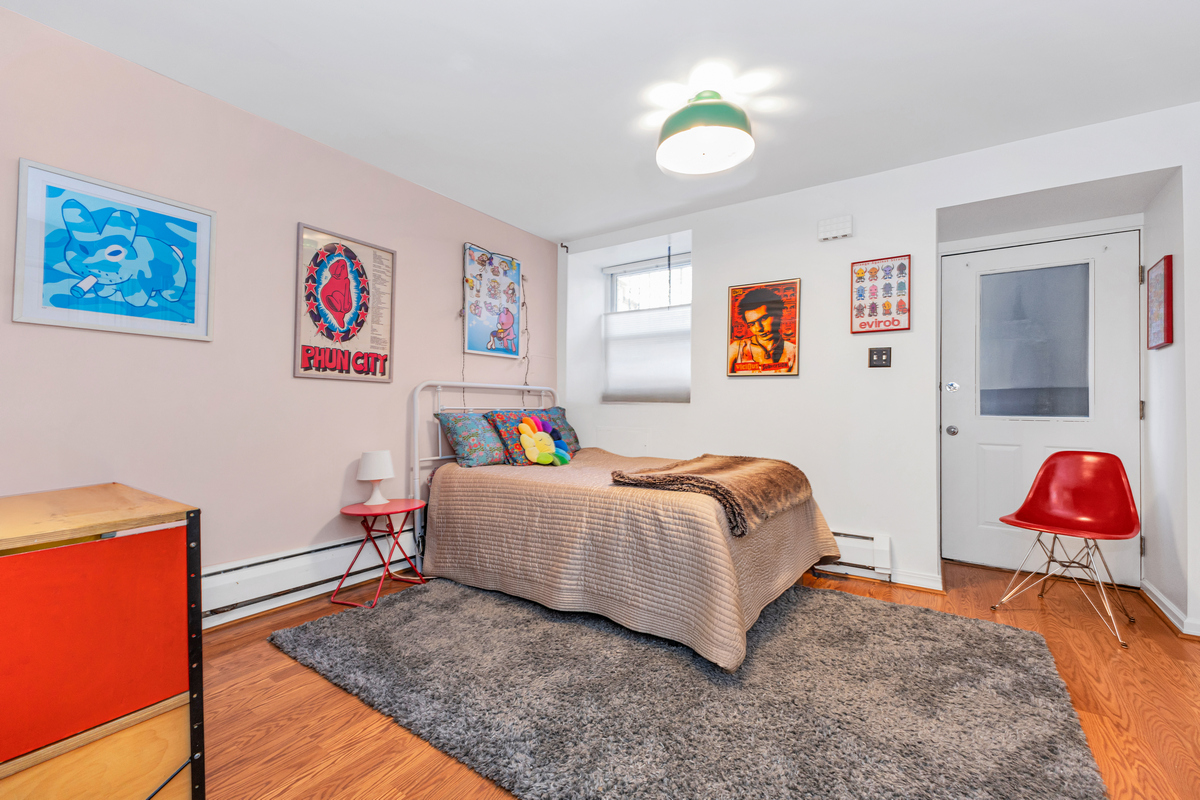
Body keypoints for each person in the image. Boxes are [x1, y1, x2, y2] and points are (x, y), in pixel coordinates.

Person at [728, 286, 796, 374]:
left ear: (778, 314)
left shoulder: (793, 351)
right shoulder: (736, 349)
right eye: (752, 324)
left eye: (763, 319)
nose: (759, 328)